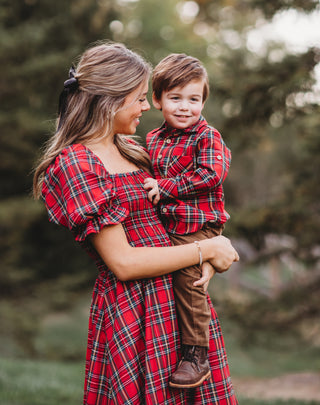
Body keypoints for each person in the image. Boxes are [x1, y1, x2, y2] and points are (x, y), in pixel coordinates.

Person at [33, 41, 239, 404]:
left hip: (178, 302)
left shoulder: (133, 150)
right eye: (139, 97)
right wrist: (207, 248)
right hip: (133, 310)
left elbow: (181, 214)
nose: (148, 106)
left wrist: (203, 255)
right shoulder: (77, 164)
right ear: (111, 100)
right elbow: (123, 263)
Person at [143, 53, 232, 389]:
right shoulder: (153, 139)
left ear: (203, 101)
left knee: (187, 278)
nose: (185, 107)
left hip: (199, 223)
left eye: (194, 99)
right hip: (170, 222)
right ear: (157, 100)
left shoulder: (206, 137)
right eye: (175, 98)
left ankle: (196, 353)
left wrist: (165, 187)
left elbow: (211, 175)